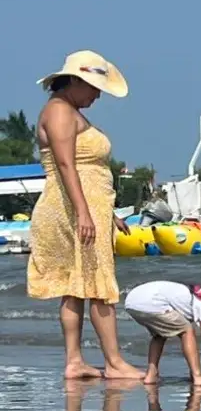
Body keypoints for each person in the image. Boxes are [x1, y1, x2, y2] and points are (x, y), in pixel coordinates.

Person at [26, 51, 143, 380]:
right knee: (98, 284)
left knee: (76, 285)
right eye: (93, 87)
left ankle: (75, 361)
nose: (97, 94)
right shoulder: (59, 111)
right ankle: (114, 361)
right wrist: (83, 213)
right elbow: (66, 165)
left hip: (85, 208)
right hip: (71, 208)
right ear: (75, 81)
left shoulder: (67, 110)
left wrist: (107, 215)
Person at [124, 279, 201, 386]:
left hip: (133, 302)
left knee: (160, 335)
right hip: (151, 302)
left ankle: (151, 374)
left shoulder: (194, 299)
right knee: (187, 330)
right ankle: (198, 376)